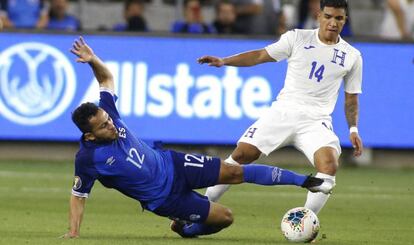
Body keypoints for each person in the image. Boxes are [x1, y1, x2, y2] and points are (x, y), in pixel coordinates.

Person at [61, 36, 333, 239]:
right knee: (225, 218)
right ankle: (185, 229)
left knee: (235, 172)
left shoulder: (107, 112)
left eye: (109, 120)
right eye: (104, 126)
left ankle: (303, 181)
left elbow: (106, 79)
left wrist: (93, 60)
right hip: (165, 198)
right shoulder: (88, 159)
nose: (111, 125)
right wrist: (74, 233)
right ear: (90, 135)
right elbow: (78, 196)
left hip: (173, 164)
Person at [198, 0, 363, 215]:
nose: (333, 22)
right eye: (329, 16)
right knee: (241, 155)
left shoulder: (352, 56)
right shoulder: (297, 38)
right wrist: (224, 61)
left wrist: (353, 130)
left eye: (339, 18)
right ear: (319, 16)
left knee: (329, 166)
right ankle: (201, 207)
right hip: (283, 112)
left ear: (345, 20)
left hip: (316, 120)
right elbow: (259, 55)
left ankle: (305, 221)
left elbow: (351, 98)